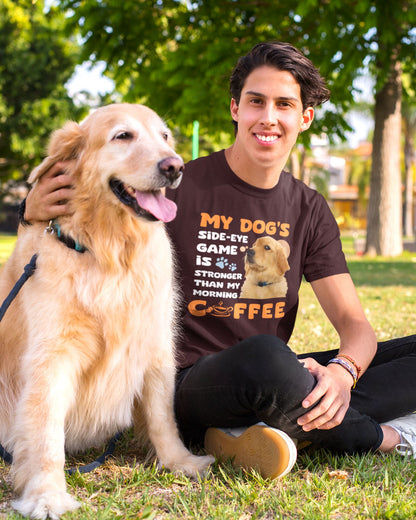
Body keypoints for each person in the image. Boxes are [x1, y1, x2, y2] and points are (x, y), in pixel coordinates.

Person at [22, 41, 416, 479]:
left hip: (269, 379)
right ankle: (390, 438)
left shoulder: (309, 208)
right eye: (256, 102)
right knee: (267, 359)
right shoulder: (173, 184)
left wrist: (342, 375)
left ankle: (265, 425)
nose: (268, 117)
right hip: (182, 382)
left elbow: (356, 326)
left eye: (284, 104)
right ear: (235, 109)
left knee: (284, 365)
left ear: (304, 117)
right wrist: (33, 212)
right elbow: (87, 223)